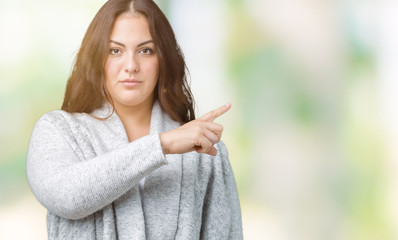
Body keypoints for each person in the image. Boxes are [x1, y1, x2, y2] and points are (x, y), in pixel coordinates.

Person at [26, 0, 243, 239]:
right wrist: (161, 145)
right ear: (96, 57)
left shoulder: (203, 149)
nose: (131, 66)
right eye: (115, 51)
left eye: (146, 50)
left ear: (164, 59)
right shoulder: (58, 131)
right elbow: (66, 197)